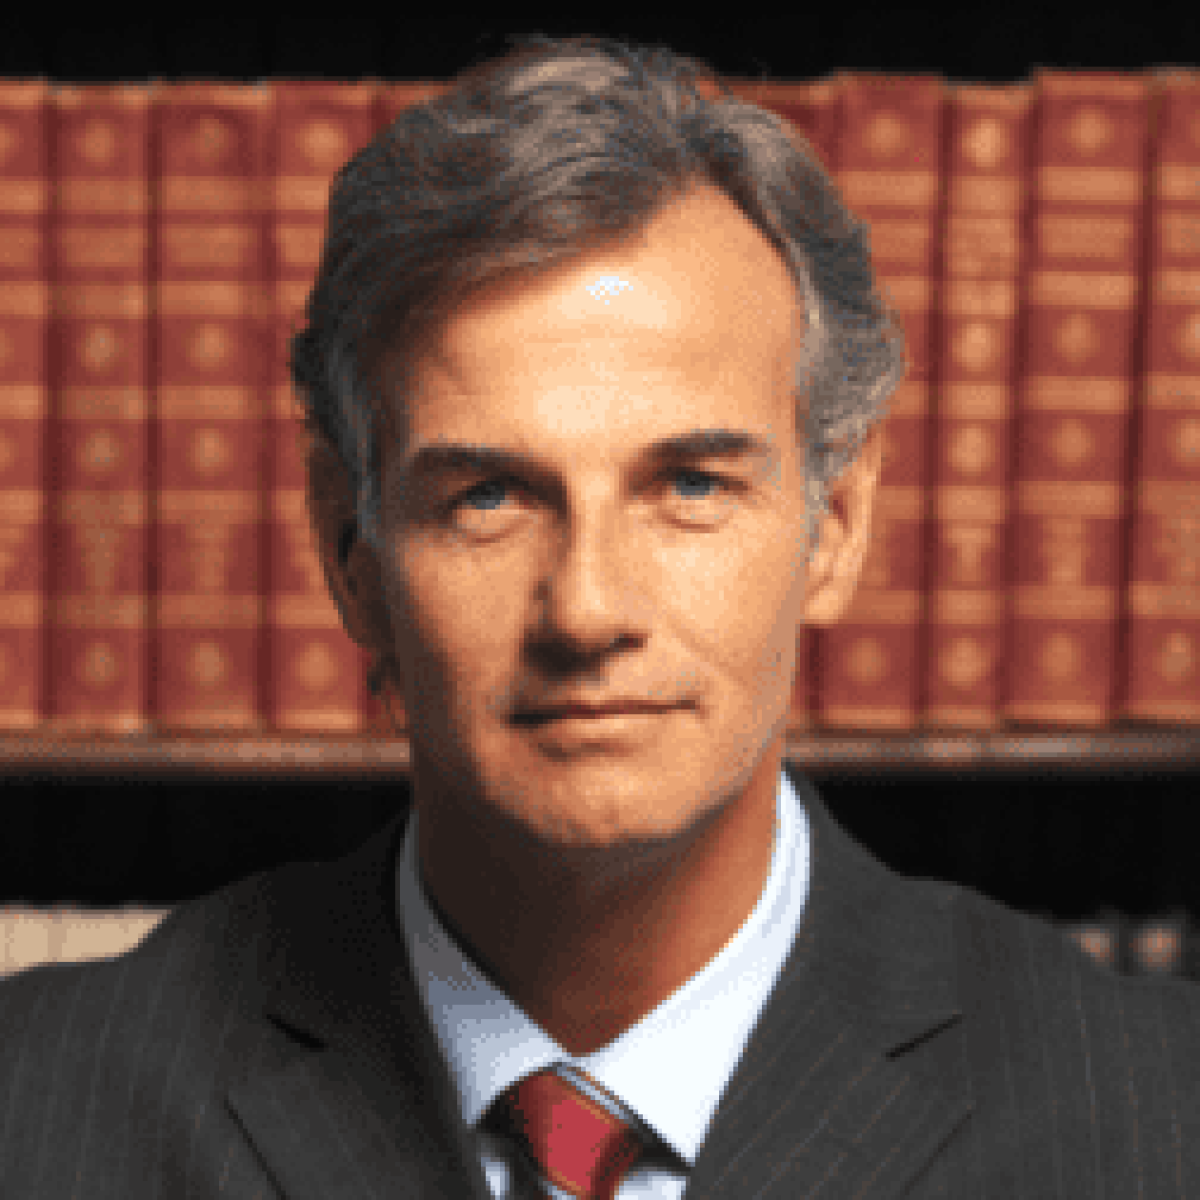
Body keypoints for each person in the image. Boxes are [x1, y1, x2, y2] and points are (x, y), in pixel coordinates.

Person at [3, 32, 1198, 1200]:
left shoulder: (1158, 1114)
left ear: (834, 525)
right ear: (347, 547)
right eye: (489, 496)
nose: (587, 609)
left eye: (690, 485)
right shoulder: (35, 1105)